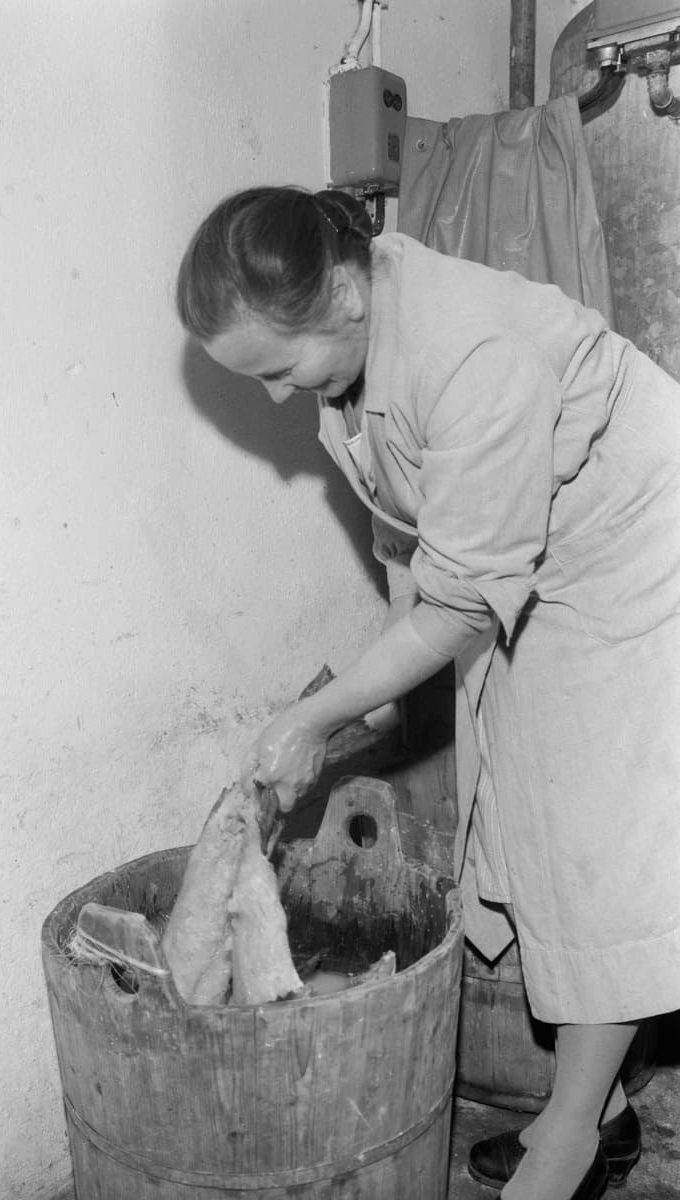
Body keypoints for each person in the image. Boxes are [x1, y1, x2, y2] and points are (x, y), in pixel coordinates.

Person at [176, 185, 680, 1200]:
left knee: (596, 836)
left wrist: (317, 716)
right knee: (515, 796)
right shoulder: (360, 346)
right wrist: (381, 686)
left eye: (279, 369)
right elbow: (406, 533)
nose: (279, 397)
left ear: (348, 295)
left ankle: (571, 1137)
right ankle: (610, 1111)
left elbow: (454, 610)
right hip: (528, 548)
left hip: (633, 542)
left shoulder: (471, 354)